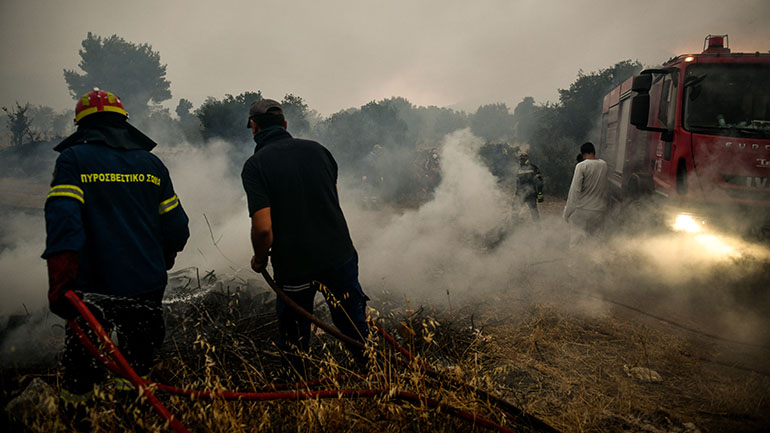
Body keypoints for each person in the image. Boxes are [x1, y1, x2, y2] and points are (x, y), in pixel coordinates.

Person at [42, 89, 190, 406]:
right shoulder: (152, 164)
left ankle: (81, 416)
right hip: (146, 285)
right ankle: (132, 416)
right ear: (123, 123)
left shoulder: (72, 160)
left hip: (91, 288)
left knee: (83, 368)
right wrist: (164, 255)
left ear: (82, 125)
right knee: (137, 367)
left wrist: (60, 278)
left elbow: (63, 221)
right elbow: (176, 225)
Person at [241, 99, 369, 376]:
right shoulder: (319, 151)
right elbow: (333, 201)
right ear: (285, 125)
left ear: (254, 127)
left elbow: (263, 228)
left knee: (295, 331)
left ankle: (299, 386)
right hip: (339, 255)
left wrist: (260, 258)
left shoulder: (255, 166)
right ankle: (373, 373)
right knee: (352, 322)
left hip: (294, 265)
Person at [563, 142, 609, 247]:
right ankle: (592, 262)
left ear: (583, 154)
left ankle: (574, 263)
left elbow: (574, 192)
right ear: (593, 152)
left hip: (582, 210)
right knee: (594, 241)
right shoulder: (604, 165)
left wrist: (567, 213)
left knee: (576, 241)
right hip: (599, 211)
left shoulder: (581, 166)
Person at [515, 152, 544, 221]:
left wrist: (540, 195)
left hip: (530, 193)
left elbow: (539, 182)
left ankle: (537, 228)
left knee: (534, 212)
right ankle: (514, 226)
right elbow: (517, 183)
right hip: (521, 194)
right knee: (515, 211)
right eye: (521, 159)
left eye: (523, 159)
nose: (521, 161)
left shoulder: (533, 168)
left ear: (527, 159)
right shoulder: (518, 169)